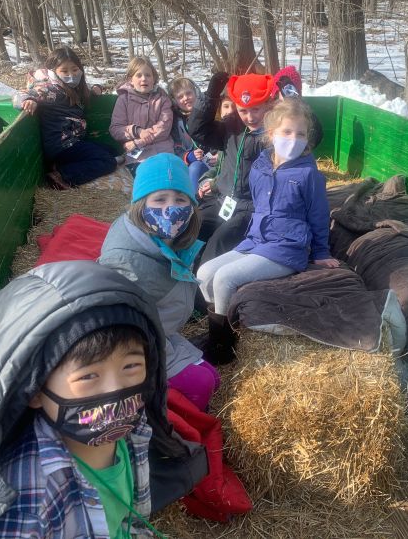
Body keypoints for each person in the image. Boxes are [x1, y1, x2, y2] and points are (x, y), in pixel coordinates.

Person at [0, 260, 207, 537]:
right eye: (89, 376)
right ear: (35, 391)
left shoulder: (133, 429)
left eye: (130, 367)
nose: (115, 390)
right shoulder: (27, 504)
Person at [196, 98, 339, 363]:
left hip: (286, 247)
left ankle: (223, 345)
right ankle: (216, 331)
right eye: (286, 131)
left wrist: (320, 252)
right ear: (271, 134)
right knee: (204, 273)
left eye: (301, 133)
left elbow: (318, 215)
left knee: (224, 278)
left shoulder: (309, 174)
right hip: (256, 239)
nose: (294, 139)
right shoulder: (260, 165)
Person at [99, 153, 220, 409]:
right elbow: (124, 334)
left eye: (179, 199)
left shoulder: (163, 238)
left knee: (213, 376)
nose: (170, 208)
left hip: (160, 329)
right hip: (133, 347)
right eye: (159, 199)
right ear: (141, 204)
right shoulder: (125, 262)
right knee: (202, 383)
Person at [187, 72, 274, 264]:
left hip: (250, 209)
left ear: (268, 105)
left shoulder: (275, 134)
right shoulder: (232, 127)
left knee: (216, 245)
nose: (250, 117)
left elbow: (310, 136)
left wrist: (292, 97)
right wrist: (211, 95)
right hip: (223, 201)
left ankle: (201, 289)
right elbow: (197, 130)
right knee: (189, 226)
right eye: (243, 111)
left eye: (256, 109)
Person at [12, 46, 118, 188]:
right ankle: (62, 175)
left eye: (74, 70)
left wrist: (96, 87)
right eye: (64, 71)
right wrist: (28, 100)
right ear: (54, 72)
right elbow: (20, 94)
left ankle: (61, 165)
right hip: (61, 146)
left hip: (73, 142)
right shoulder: (51, 89)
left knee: (111, 151)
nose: (71, 75)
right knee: (108, 162)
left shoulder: (73, 87)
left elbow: (84, 91)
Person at [110, 56, 174, 166]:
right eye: (139, 75)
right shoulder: (123, 100)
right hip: (136, 157)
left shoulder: (162, 99)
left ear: (154, 79)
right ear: (131, 79)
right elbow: (116, 129)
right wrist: (137, 131)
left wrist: (139, 141)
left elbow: (164, 127)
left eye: (148, 75)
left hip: (162, 151)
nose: (144, 79)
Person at [169, 77, 214, 186]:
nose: (186, 98)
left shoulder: (208, 112)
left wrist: (218, 155)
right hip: (190, 163)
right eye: (180, 97)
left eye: (188, 93)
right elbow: (176, 147)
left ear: (196, 93)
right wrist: (189, 156)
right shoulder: (176, 121)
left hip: (213, 160)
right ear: (175, 101)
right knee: (194, 167)